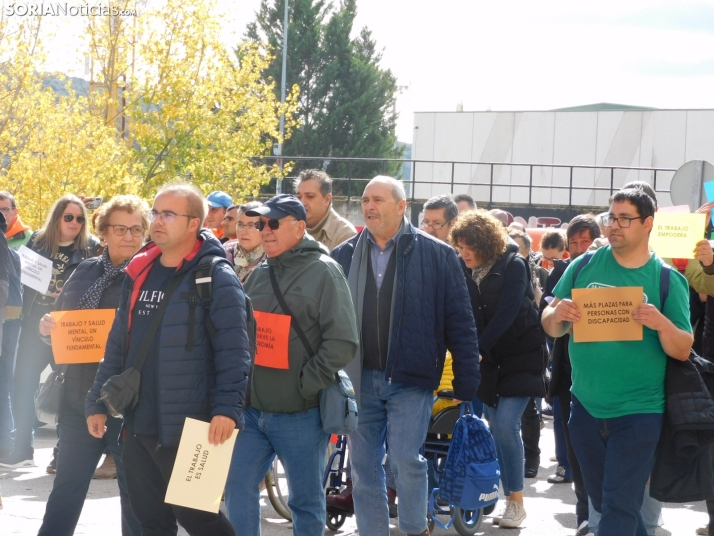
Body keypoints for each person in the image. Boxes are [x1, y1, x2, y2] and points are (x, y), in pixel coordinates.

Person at [85, 183, 251, 536]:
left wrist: (226, 409)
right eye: (156, 213)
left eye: (168, 214)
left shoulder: (216, 277)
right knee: (149, 521)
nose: (157, 221)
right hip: (138, 424)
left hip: (194, 427)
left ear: (194, 223)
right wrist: (97, 400)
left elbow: (235, 352)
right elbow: (118, 343)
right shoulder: (139, 271)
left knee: (200, 520)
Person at [332, 176, 480, 536]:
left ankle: (416, 530)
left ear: (401, 206)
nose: (369, 206)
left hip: (410, 378)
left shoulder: (439, 255)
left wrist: (466, 379)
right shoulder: (345, 254)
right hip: (359, 378)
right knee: (363, 469)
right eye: (366, 200)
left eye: (378, 199)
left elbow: (460, 321)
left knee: (406, 461)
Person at [542, 188, 693, 536]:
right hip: (585, 409)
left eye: (625, 219)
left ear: (648, 223)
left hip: (639, 412)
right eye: (612, 217)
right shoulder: (582, 266)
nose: (615, 226)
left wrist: (660, 322)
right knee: (608, 503)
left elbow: (683, 348)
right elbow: (551, 324)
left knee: (618, 506)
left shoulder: (668, 279)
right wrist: (556, 313)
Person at [225, 194, 358, 536]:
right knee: (237, 490)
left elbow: (343, 341)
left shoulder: (325, 272)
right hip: (254, 413)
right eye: (259, 224)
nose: (263, 230)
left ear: (299, 228)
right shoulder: (259, 273)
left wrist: (304, 384)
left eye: (272, 223)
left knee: (305, 503)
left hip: (301, 415)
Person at [36, 195, 146, 536]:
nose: (129, 236)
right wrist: (47, 331)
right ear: (104, 232)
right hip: (78, 397)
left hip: (127, 404)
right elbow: (63, 329)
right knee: (66, 488)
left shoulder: (152, 277)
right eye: (120, 229)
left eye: (136, 229)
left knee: (135, 495)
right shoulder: (84, 270)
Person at [449, 210, 546, 528]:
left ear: (485, 243)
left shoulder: (513, 264)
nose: (463, 253)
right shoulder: (465, 269)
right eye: (459, 246)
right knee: (493, 428)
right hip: (489, 361)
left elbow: (506, 313)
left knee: (505, 426)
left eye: (468, 247)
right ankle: (493, 492)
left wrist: (477, 348)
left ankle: (515, 503)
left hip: (521, 355)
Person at [0, 195, 100, 468]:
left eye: (80, 218)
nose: (75, 223)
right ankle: (22, 448)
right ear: (57, 217)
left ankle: (61, 453)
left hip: (69, 327)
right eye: (69, 217)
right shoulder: (37, 242)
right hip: (34, 324)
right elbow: (21, 277)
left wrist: (68, 295)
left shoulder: (91, 248)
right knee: (23, 383)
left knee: (68, 389)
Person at [539, 213, 601, 536]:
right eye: (573, 242)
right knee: (577, 451)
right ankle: (584, 517)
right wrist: (559, 314)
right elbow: (547, 317)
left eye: (585, 241)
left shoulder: (613, 273)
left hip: (605, 378)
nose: (579, 247)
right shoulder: (565, 273)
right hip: (567, 373)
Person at [295, 169, 357, 251]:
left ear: (327, 199)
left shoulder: (345, 234)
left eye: (310, 196)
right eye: (299, 197)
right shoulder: (289, 227)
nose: (302, 202)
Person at [224, 202, 267, 283]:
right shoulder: (223, 252)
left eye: (251, 225)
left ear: (263, 227)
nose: (243, 232)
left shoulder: (272, 260)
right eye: (240, 224)